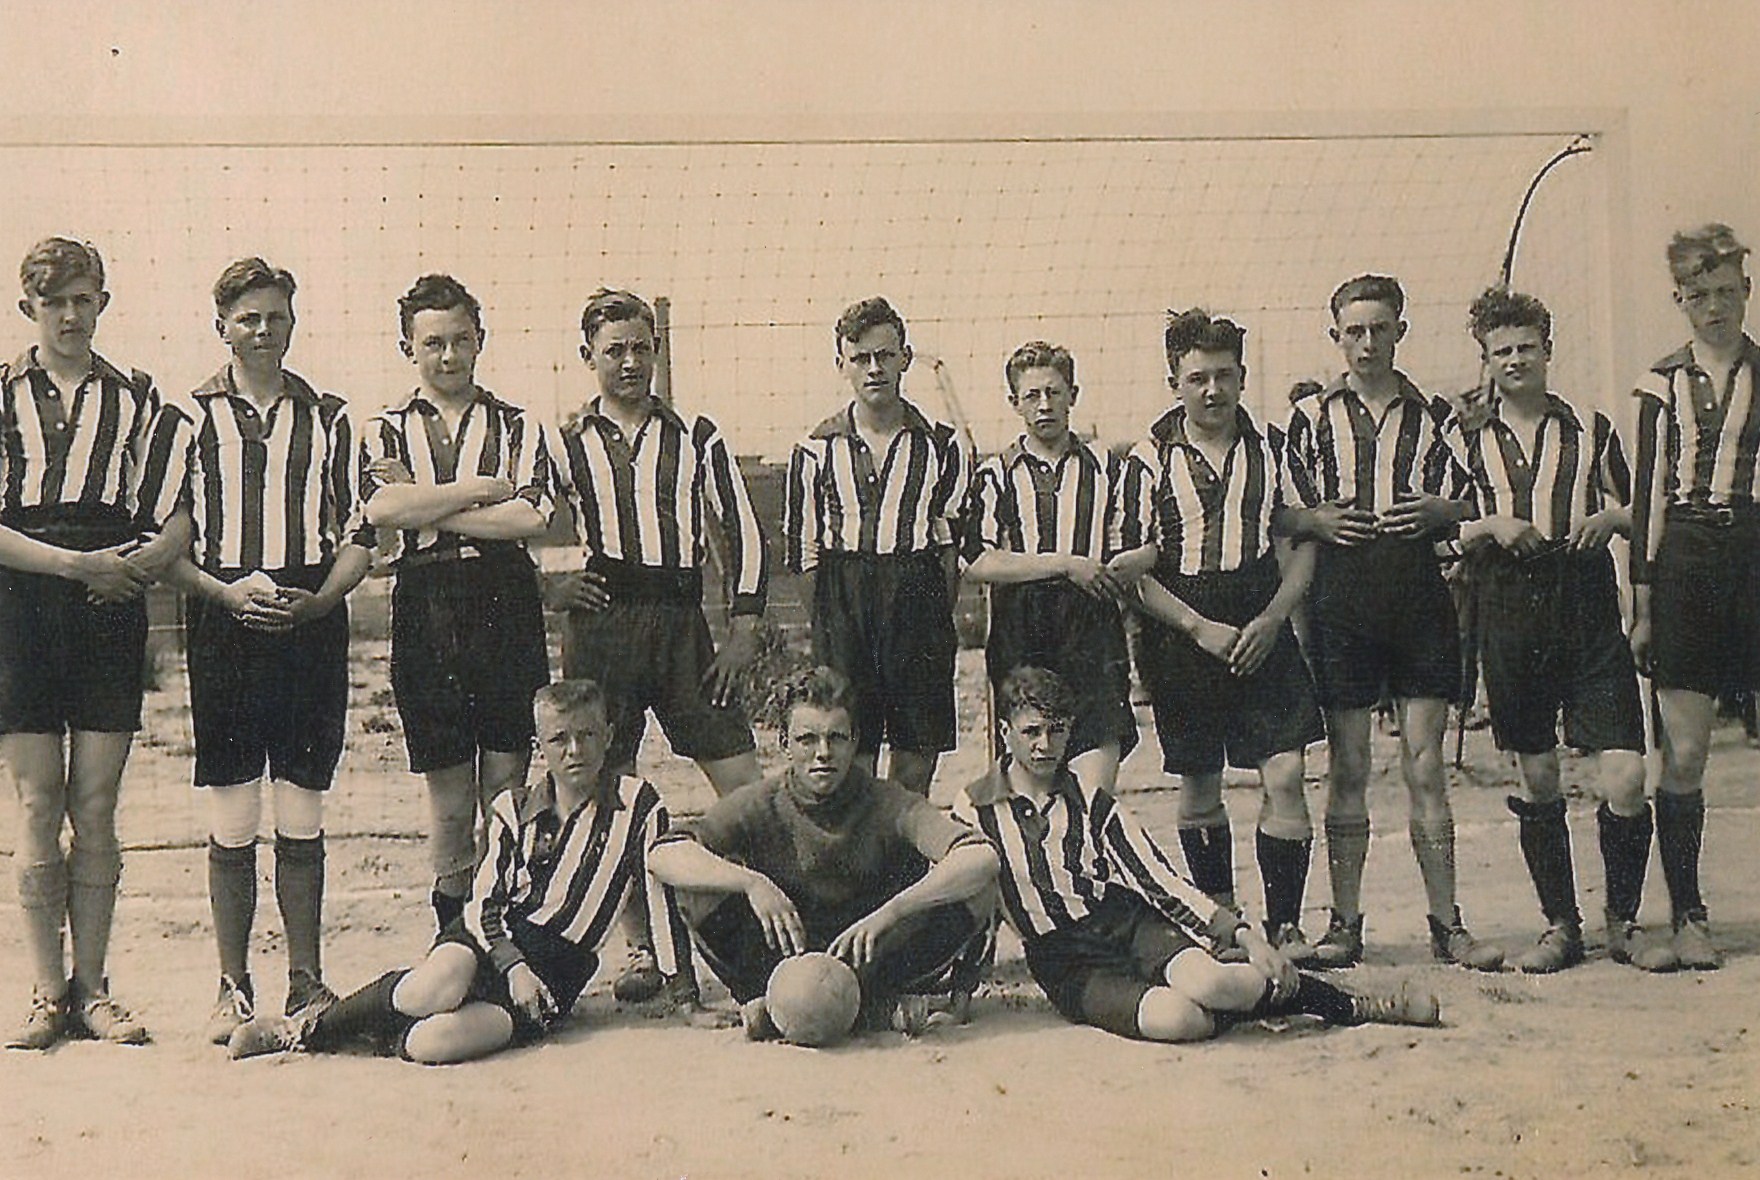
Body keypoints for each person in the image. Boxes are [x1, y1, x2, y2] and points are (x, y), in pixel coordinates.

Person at [139, 258, 373, 1043]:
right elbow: (167, 544)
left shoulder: (330, 417)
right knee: (235, 810)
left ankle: (306, 980)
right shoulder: (186, 419)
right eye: (248, 318)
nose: (263, 330)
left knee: (302, 806)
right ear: (222, 328)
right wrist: (224, 593)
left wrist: (322, 601)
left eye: (275, 316)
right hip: (225, 614)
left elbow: (361, 534)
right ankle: (232, 985)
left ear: (293, 323)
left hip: (309, 614)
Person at [956, 667, 1440, 1042]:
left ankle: (1346, 1004)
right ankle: (1249, 1004)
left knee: (1213, 985)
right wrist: (961, 986)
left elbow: (1159, 879)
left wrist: (1247, 936)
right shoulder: (974, 807)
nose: (1044, 745)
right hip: (1066, 960)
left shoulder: (1089, 799)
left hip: (1126, 925)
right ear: (1006, 732)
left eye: (1057, 730)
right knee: (1180, 1020)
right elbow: (974, 905)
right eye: (1031, 731)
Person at [227, 679, 697, 1063]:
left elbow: (662, 898)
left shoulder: (638, 805)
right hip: (490, 938)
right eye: (560, 739)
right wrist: (513, 967)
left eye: (588, 735)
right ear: (539, 747)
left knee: (432, 1044)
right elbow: (483, 904)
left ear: (609, 736)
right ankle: (304, 1031)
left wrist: (684, 995)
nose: (575, 750)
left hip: (557, 966)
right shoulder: (513, 808)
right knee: (436, 986)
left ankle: (381, 1032)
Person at [547, 288, 768, 1000]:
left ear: (657, 351)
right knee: (606, 786)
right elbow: (521, 517)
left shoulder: (696, 435)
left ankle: (778, 919)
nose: (630, 362)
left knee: (743, 777)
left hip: (680, 622)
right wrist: (551, 584)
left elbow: (742, 529)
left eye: (641, 348)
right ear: (587, 356)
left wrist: (744, 625)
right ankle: (639, 947)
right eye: (614, 350)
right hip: (603, 623)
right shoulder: (564, 441)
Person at [1282, 275, 1502, 971]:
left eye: (1380, 329)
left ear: (1400, 331)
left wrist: (1444, 511)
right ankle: (1345, 924)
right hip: (1342, 600)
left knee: (1425, 764)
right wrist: (1314, 519)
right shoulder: (1310, 417)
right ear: (1336, 337)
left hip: (1416, 596)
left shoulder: (1434, 414)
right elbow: (1280, 511)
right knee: (1348, 764)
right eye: (1355, 331)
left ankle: (1448, 924)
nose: (1368, 343)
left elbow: (1477, 500)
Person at [1453, 287, 1672, 973]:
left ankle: (1624, 923)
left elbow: (1642, 512)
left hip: (1585, 604)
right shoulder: (1466, 440)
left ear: (1548, 350)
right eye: (1502, 351)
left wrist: (1609, 519)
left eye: (1527, 347)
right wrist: (1491, 525)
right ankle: (1561, 926)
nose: (1516, 359)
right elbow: (1442, 534)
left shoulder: (1590, 430)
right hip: (1509, 604)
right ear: (1487, 359)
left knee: (1626, 773)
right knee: (1538, 772)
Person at [1, 238, 185, 1048]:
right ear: (28, 309)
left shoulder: (137, 396)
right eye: (55, 302)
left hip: (111, 600)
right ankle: (47, 994)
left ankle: (94, 990)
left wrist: (139, 564)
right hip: (24, 600)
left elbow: (177, 511)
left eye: (84, 299)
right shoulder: (1, 393)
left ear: (103, 302)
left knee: (97, 804)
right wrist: (78, 566)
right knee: (38, 802)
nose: (71, 316)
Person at [1115, 309, 1328, 961]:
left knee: (1285, 772)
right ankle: (1221, 918)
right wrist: (1196, 627)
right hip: (1184, 623)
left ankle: (1286, 924)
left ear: (1242, 377)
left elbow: (1305, 538)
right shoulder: (1147, 459)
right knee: (1200, 780)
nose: (1213, 390)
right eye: (1197, 378)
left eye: (1225, 376)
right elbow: (1131, 571)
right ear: (1174, 382)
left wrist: (1274, 616)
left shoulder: (1272, 447)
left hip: (1259, 613)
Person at [647, 665, 997, 1038]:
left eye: (837, 738)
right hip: (780, 955)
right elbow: (664, 853)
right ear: (784, 744)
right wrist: (752, 883)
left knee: (977, 885)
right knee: (690, 881)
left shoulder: (888, 800)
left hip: (873, 956)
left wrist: (893, 911)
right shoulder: (760, 802)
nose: (823, 753)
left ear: (854, 741)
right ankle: (820, 1006)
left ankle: (857, 1006)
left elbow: (980, 856)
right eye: (807, 740)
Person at [358, 274, 554, 937]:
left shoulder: (518, 424)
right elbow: (382, 508)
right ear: (407, 348)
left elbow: (530, 517)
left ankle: (502, 929)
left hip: (505, 600)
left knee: (505, 786)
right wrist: (479, 489)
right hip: (426, 604)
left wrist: (430, 505)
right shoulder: (384, 427)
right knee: (448, 801)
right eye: (432, 343)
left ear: (480, 340)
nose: (448, 356)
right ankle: (452, 935)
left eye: (461, 340)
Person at [1628, 223, 1760, 970]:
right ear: (1680, 299)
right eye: (1700, 294)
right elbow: (1647, 496)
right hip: (1684, 559)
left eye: (1727, 292)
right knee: (1685, 751)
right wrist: (1644, 605)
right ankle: (1689, 914)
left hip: (1753, 554)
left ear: (1747, 291)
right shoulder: (1661, 383)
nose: (1715, 307)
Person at [782, 297, 969, 795]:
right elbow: (802, 552)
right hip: (844, 599)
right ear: (841, 363)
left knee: (916, 756)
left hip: (917, 594)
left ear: (905, 358)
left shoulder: (943, 445)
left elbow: (949, 543)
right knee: (850, 754)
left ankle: (903, 847)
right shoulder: (815, 449)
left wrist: (929, 608)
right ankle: (856, 847)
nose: (874, 369)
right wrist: (832, 616)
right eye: (860, 358)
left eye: (885, 356)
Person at [961, 341, 1146, 795]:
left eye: (1053, 392)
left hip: (1091, 625)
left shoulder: (1107, 467)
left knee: (1094, 788)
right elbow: (977, 560)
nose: (1044, 405)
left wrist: (1121, 566)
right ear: (1014, 402)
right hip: (1023, 627)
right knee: (1030, 781)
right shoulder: (996, 474)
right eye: (1032, 395)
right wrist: (1063, 564)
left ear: (1072, 395)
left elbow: (1134, 548)